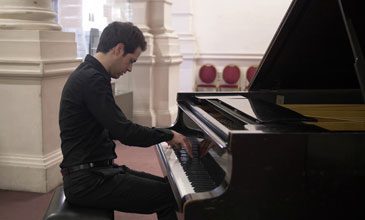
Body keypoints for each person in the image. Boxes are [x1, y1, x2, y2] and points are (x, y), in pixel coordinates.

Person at [58, 21, 192, 220]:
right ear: (119, 49)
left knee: (168, 188)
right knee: (167, 196)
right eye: (131, 60)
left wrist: (161, 134)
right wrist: (168, 134)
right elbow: (125, 133)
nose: (129, 68)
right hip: (88, 182)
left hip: (97, 172)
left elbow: (114, 129)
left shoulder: (90, 74)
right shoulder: (92, 79)